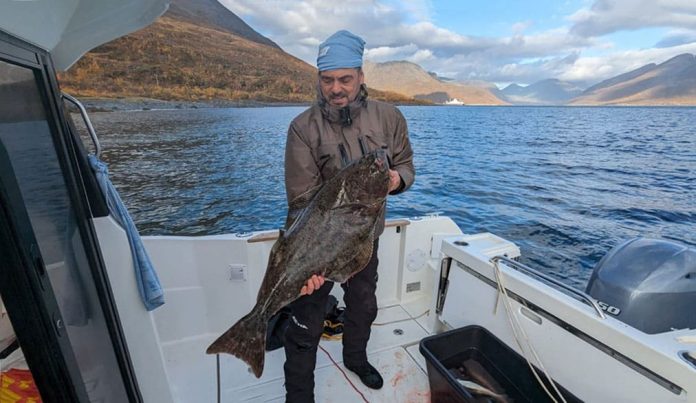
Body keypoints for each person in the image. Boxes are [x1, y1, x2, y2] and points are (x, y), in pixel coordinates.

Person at [281, 30, 415, 402]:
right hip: (318, 246)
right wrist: (303, 264)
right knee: (305, 322)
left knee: (363, 304)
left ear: (360, 76)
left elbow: (405, 164)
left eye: (344, 79)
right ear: (318, 79)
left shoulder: (389, 118)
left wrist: (396, 180)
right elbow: (301, 200)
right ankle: (299, 394)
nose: (335, 88)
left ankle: (355, 358)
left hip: (364, 240)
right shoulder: (302, 129)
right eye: (327, 80)